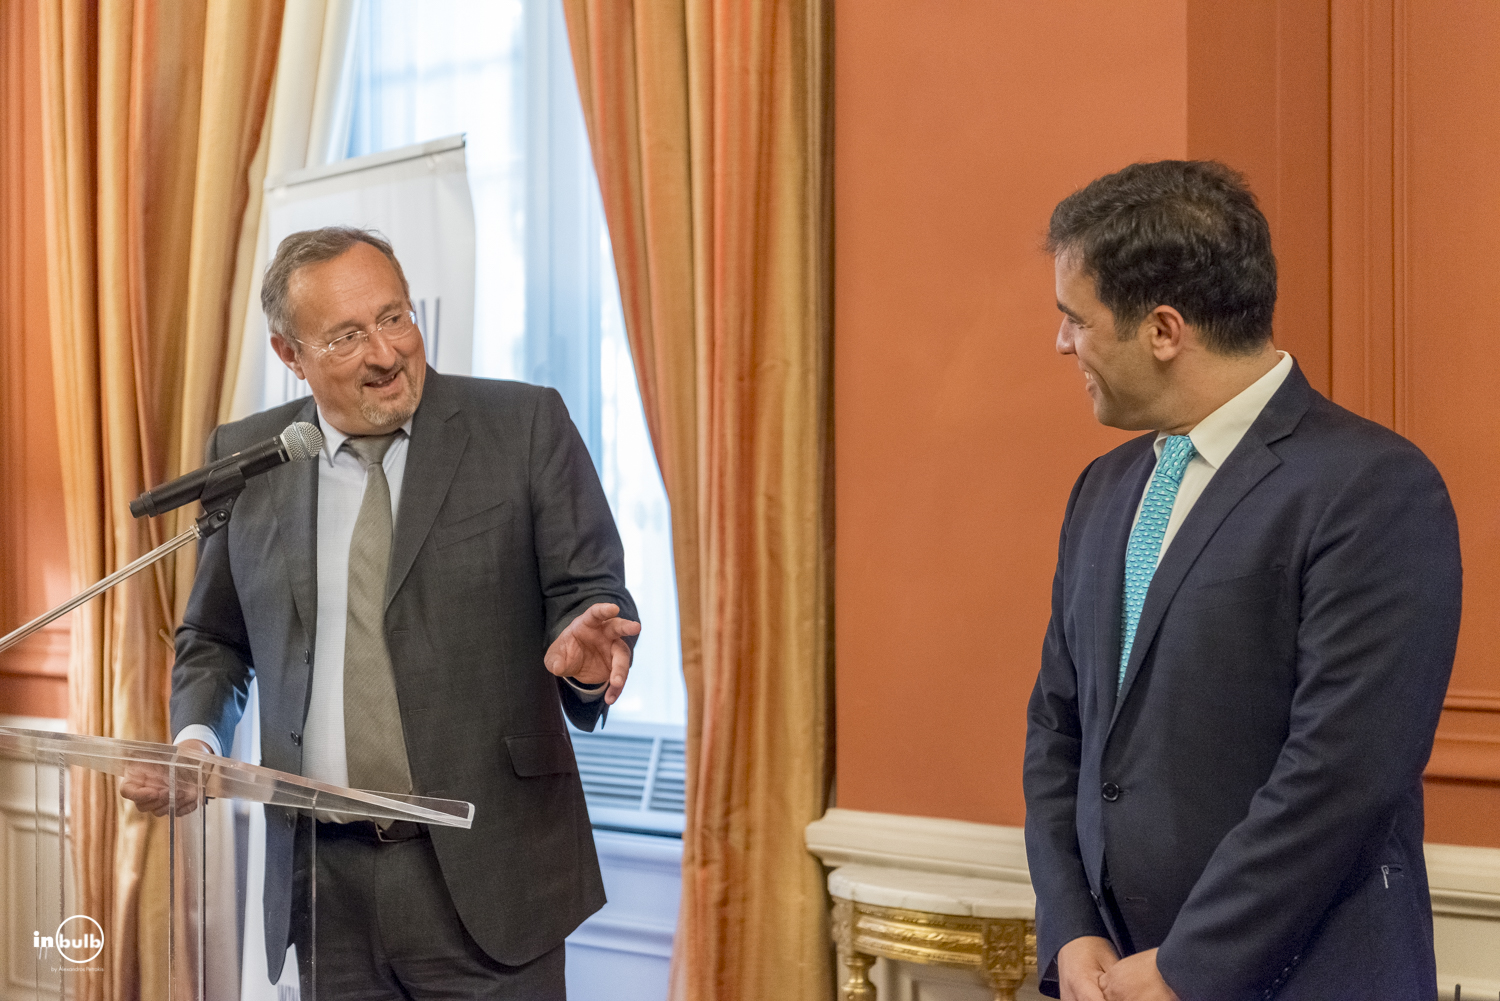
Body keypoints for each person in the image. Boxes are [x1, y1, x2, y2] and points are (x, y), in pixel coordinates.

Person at [123, 226, 640, 1000]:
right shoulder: (252, 456)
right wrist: (197, 739)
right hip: (324, 886)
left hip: (488, 876)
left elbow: (588, 598)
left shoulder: (522, 426)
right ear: (290, 354)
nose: (386, 353)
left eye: (395, 316)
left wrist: (590, 658)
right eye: (346, 336)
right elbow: (215, 636)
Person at [1023, 160, 1461, 1001]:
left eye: (1075, 319)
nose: (1063, 343)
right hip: (1113, 975)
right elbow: (1058, 728)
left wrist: (1188, 966)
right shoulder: (1103, 489)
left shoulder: (1373, 488)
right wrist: (1071, 925)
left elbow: (1342, 774)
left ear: (1163, 329)